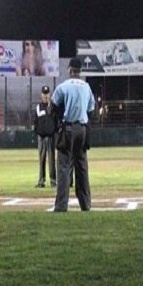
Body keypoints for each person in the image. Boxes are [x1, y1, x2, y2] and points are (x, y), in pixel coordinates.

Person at [51, 57, 96, 212]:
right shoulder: (86, 87)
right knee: (82, 166)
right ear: (80, 71)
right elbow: (91, 109)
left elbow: (53, 106)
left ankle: (61, 205)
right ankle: (85, 204)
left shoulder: (64, 86)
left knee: (64, 167)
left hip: (68, 129)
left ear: (70, 70)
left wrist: (60, 119)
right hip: (82, 129)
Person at [34, 85, 57, 188]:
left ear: (49, 95)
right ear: (41, 95)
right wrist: (38, 132)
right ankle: (41, 181)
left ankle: (53, 181)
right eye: (44, 94)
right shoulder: (38, 107)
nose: (46, 96)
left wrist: (54, 131)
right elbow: (35, 121)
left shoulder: (53, 107)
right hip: (41, 137)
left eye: (47, 94)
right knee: (41, 159)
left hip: (51, 137)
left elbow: (56, 121)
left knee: (52, 160)